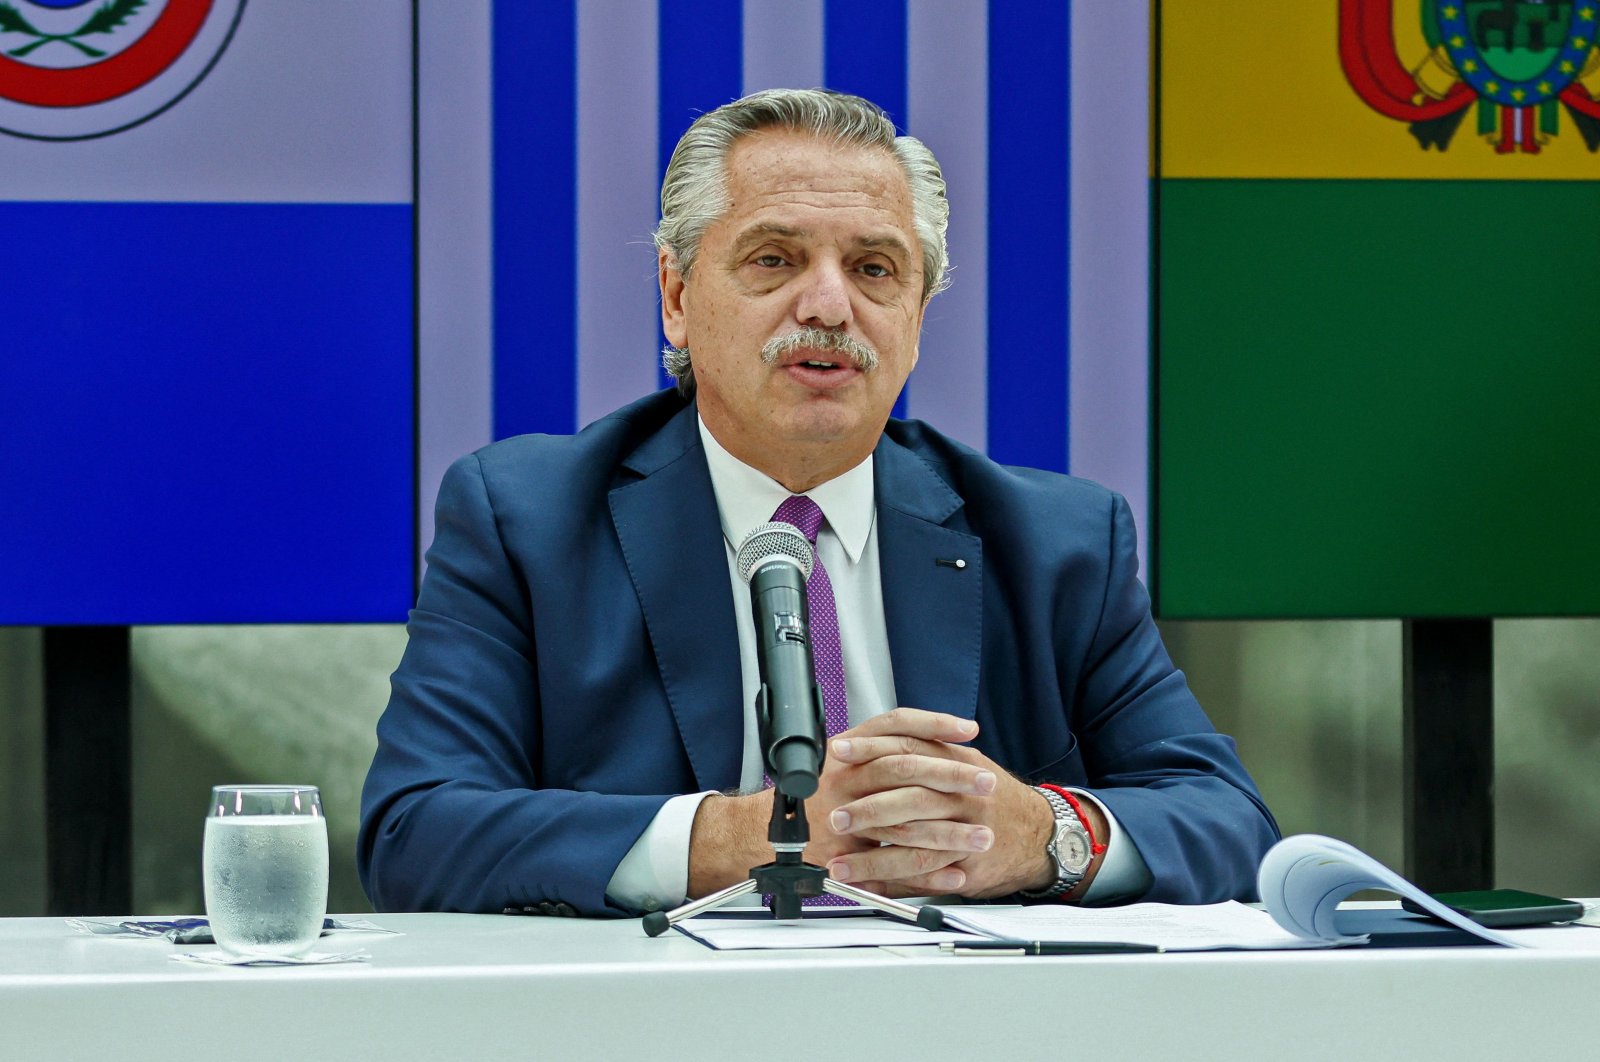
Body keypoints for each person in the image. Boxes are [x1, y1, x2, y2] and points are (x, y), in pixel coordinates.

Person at [358, 88, 1278, 917]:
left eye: (876, 269)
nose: (830, 305)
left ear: (918, 315)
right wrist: (755, 838)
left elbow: (1229, 822)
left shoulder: (1058, 540)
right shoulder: (528, 519)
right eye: (774, 258)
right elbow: (416, 831)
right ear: (678, 299)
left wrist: (1040, 836)